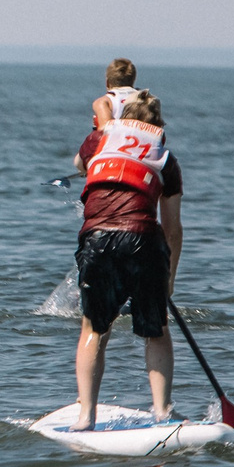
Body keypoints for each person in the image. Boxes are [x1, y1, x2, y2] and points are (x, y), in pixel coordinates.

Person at [70, 88, 184, 430]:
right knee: (157, 329)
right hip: (143, 240)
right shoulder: (166, 159)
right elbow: (173, 230)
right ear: (159, 125)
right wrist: (169, 280)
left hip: (96, 239)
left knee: (93, 327)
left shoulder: (99, 141)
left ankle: (85, 417)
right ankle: (162, 410)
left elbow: (80, 166)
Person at [90, 57, 141, 130]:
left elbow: (106, 129)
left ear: (107, 82)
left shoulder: (103, 102)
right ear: (133, 80)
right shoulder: (146, 99)